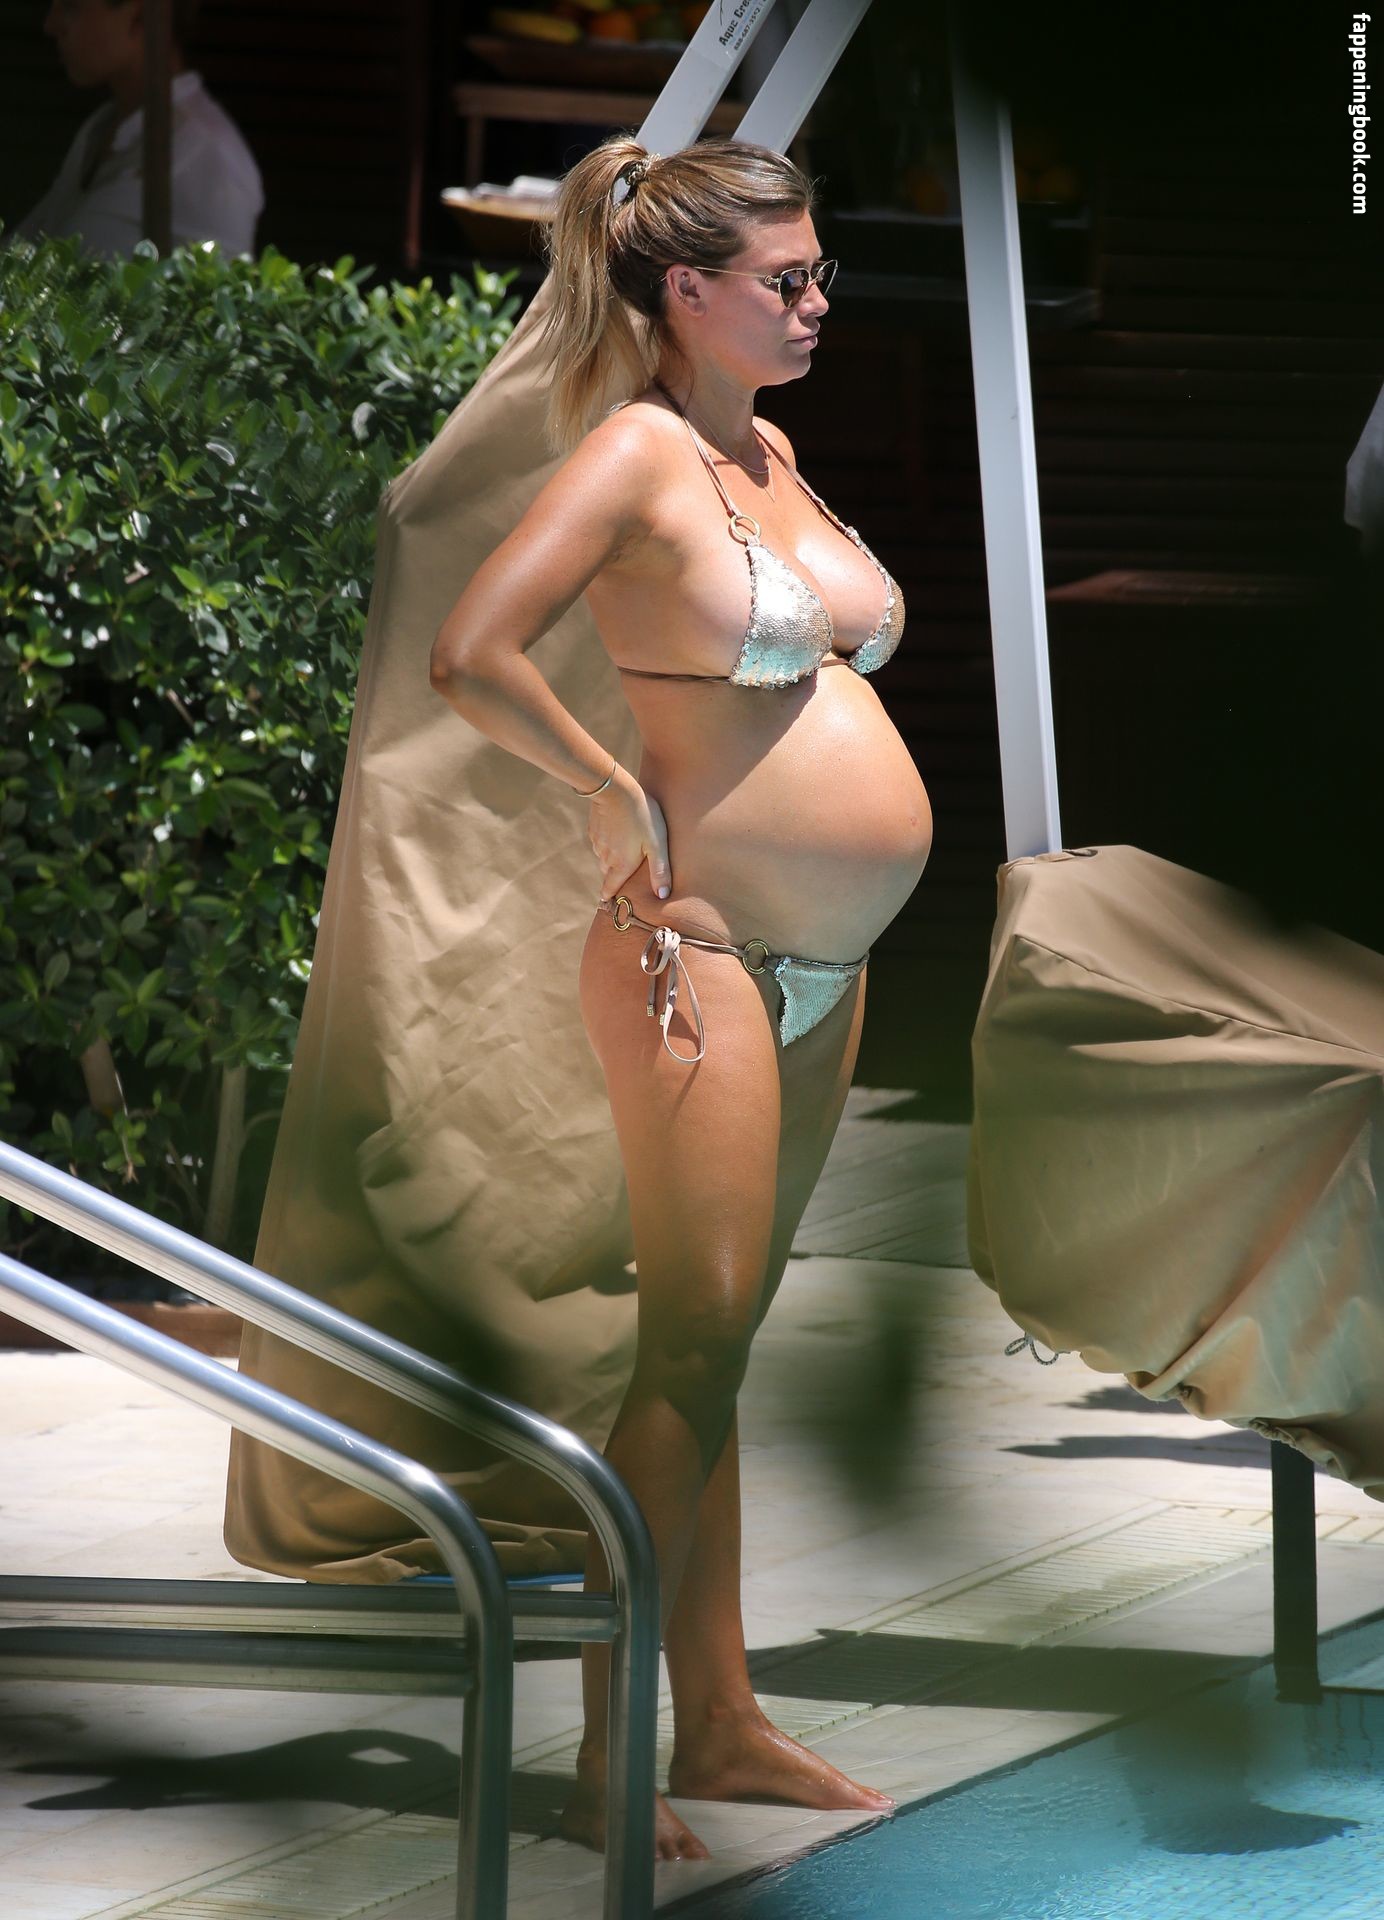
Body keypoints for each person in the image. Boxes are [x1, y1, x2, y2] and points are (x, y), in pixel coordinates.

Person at [430, 133, 932, 1862]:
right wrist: (599, 787)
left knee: (724, 1359)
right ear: (686, 292)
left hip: (826, 967)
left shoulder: (768, 453)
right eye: (785, 279)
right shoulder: (638, 454)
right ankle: (603, 1748)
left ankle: (717, 1721)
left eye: (817, 272)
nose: (816, 301)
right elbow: (473, 649)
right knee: (690, 1347)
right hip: (694, 951)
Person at [15, 0, 263, 258]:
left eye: (71, 6)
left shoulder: (209, 155)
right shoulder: (100, 128)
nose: (51, 25)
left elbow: (219, 279)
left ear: (140, 14)